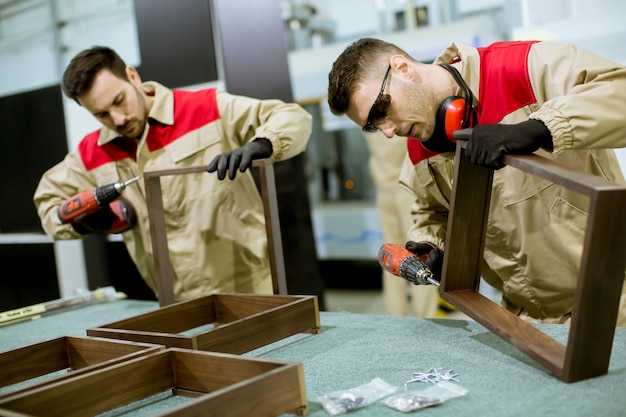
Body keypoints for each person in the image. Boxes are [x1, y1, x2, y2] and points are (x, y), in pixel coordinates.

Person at [327, 37, 626, 326]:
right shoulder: (420, 147)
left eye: (381, 111)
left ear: (403, 68)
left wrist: (539, 128)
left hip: (614, 301)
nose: (388, 132)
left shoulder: (522, 69)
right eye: (372, 126)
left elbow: (620, 90)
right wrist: (433, 245)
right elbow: (431, 210)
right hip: (526, 320)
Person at [34, 46, 312, 302]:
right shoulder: (92, 153)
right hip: (174, 302)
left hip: (251, 289)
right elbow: (48, 203)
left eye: (119, 101)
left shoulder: (205, 109)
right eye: (102, 115)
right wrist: (85, 223)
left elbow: (292, 117)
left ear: (132, 76)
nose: (117, 120)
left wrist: (263, 143)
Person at [363, 131, 438, 317]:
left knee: (391, 258)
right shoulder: (393, 117)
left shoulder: (367, 121)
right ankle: (425, 318)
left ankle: (395, 317)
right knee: (421, 255)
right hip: (408, 190)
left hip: (383, 191)